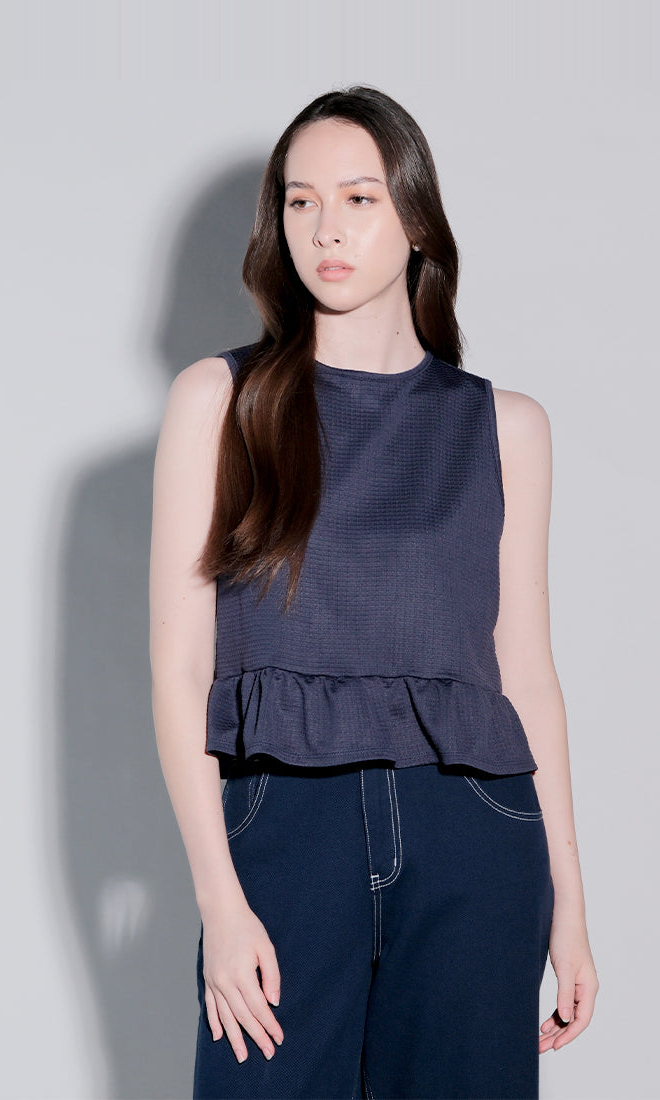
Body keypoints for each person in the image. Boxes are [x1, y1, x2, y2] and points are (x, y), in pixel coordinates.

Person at [149, 85, 599, 1100]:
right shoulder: (220, 401)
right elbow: (180, 667)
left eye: (358, 198)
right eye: (300, 202)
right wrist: (220, 900)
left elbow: (526, 673)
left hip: (472, 827)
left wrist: (571, 902)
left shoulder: (506, 427)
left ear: (417, 219)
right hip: (283, 827)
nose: (326, 229)